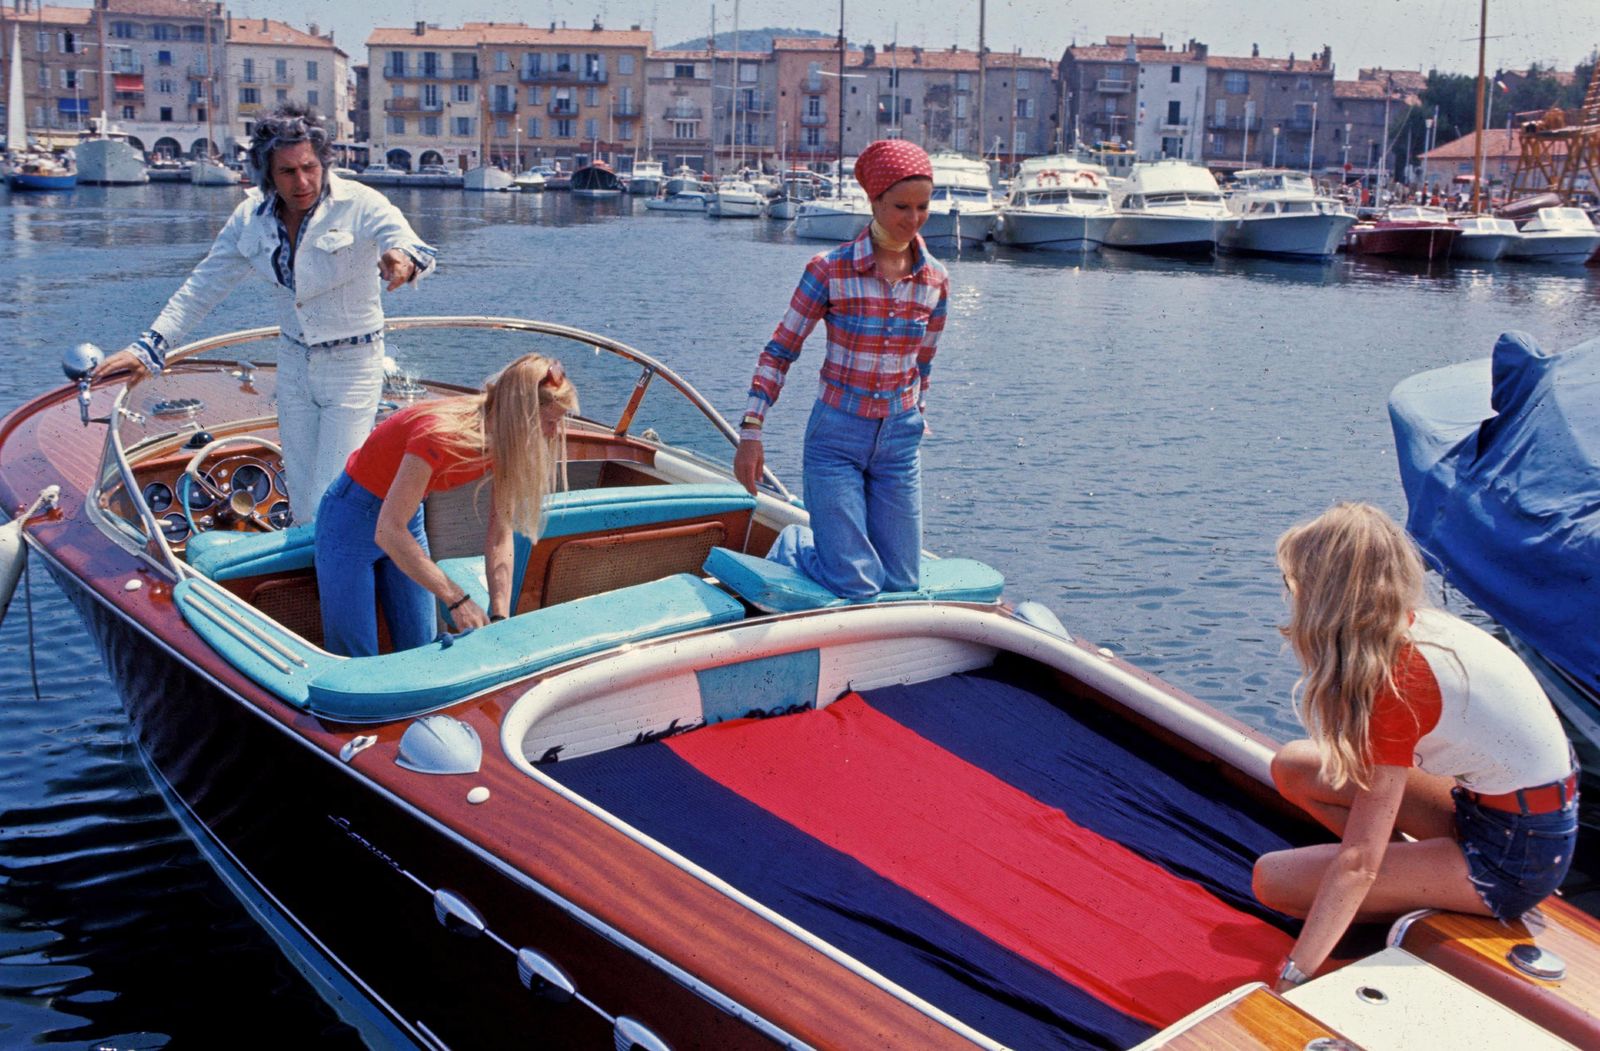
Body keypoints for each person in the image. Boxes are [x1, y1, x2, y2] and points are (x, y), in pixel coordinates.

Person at [1253, 503, 1578, 992]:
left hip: (1513, 858)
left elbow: (1358, 861)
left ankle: (1417, 890)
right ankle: (1414, 879)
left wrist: (1294, 976)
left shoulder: (1399, 684)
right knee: (1294, 765)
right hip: (1501, 813)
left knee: (1274, 880)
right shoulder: (1415, 627)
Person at [95, 102, 436, 524]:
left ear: (324, 162)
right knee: (302, 493)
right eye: (287, 171)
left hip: (352, 365)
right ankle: (312, 562)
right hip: (293, 363)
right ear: (267, 173)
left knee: (331, 492)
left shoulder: (361, 203)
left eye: (310, 167)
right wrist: (149, 347)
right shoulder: (250, 218)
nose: (302, 181)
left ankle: (332, 561)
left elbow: (412, 244)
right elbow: (203, 286)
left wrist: (402, 260)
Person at [732, 139, 949, 600]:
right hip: (836, 441)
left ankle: (834, 550)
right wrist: (751, 431)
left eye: (923, 207)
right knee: (857, 582)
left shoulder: (936, 280)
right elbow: (779, 351)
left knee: (901, 584)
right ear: (874, 201)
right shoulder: (829, 270)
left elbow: (923, 362)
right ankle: (794, 546)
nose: (913, 219)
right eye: (901, 207)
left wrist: (917, 415)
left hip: (899, 442)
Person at [313, 353, 578, 657]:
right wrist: (457, 600)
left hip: (406, 515)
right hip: (351, 518)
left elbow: (500, 535)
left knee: (422, 649)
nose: (554, 433)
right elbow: (388, 530)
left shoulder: (508, 442)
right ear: (521, 416)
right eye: (550, 422)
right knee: (355, 658)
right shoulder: (438, 435)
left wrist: (499, 617)